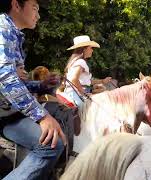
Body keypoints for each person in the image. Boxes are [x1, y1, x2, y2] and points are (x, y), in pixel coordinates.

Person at [0, 0, 67, 179]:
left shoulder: (15, 36)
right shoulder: (3, 30)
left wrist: (43, 85)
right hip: (4, 117)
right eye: (35, 8)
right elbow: (6, 79)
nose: (38, 15)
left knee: (60, 114)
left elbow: (16, 83)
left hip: (11, 111)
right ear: (16, 5)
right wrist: (42, 116)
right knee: (52, 144)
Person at [63, 35, 111, 107]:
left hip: (74, 92)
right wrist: (83, 93)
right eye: (90, 48)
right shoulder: (80, 62)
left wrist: (102, 81)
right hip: (76, 94)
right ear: (84, 49)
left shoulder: (76, 61)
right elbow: (74, 79)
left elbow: (86, 81)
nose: (92, 50)